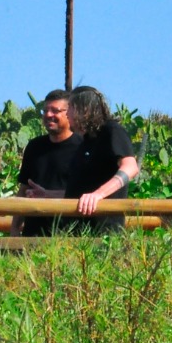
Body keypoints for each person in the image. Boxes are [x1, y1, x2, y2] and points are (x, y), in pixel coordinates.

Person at [65, 86, 141, 233]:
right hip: (76, 232)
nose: (67, 113)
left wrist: (98, 194)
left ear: (84, 109)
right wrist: (47, 194)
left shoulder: (112, 131)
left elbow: (131, 167)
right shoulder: (84, 142)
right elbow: (81, 189)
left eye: (70, 107)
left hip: (104, 232)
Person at [12, 89, 83, 236]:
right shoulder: (34, 147)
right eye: (45, 111)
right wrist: (14, 227)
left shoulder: (83, 147)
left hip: (70, 237)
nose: (49, 115)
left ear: (69, 113)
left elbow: (86, 193)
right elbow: (23, 189)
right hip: (32, 235)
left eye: (55, 110)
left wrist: (48, 195)